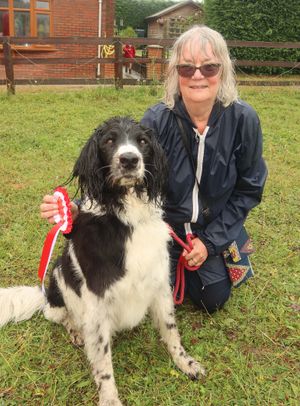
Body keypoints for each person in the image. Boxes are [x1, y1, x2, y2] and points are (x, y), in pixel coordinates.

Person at [40, 25, 267, 314]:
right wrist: (78, 207)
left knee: (212, 298)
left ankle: (225, 249)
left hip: (212, 227)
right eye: (187, 68)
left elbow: (249, 190)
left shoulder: (244, 120)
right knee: (142, 289)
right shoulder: (157, 119)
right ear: (175, 73)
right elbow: (126, 174)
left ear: (223, 70)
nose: (198, 75)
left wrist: (209, 243)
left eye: (209, 67)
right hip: (163, 228)